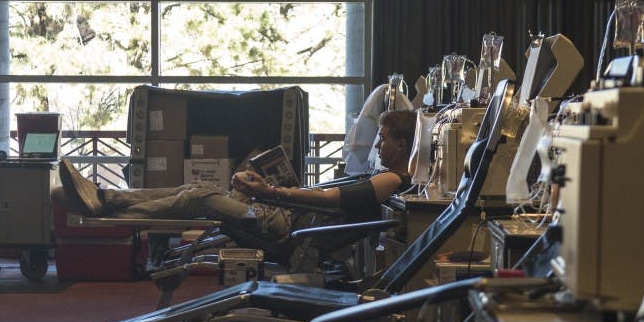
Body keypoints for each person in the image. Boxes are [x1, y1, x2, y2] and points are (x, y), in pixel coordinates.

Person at [58, 109, 418, 238]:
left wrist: (271, 193)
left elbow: (330, 200)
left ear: (403, 145)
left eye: (384, 140)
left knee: (199, 197)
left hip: (283, 226)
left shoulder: (391, 181)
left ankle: (105, 205)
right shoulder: (387, 177)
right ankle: (105, 198)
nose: (378, 146)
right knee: (195, 187)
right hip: (284, 214)